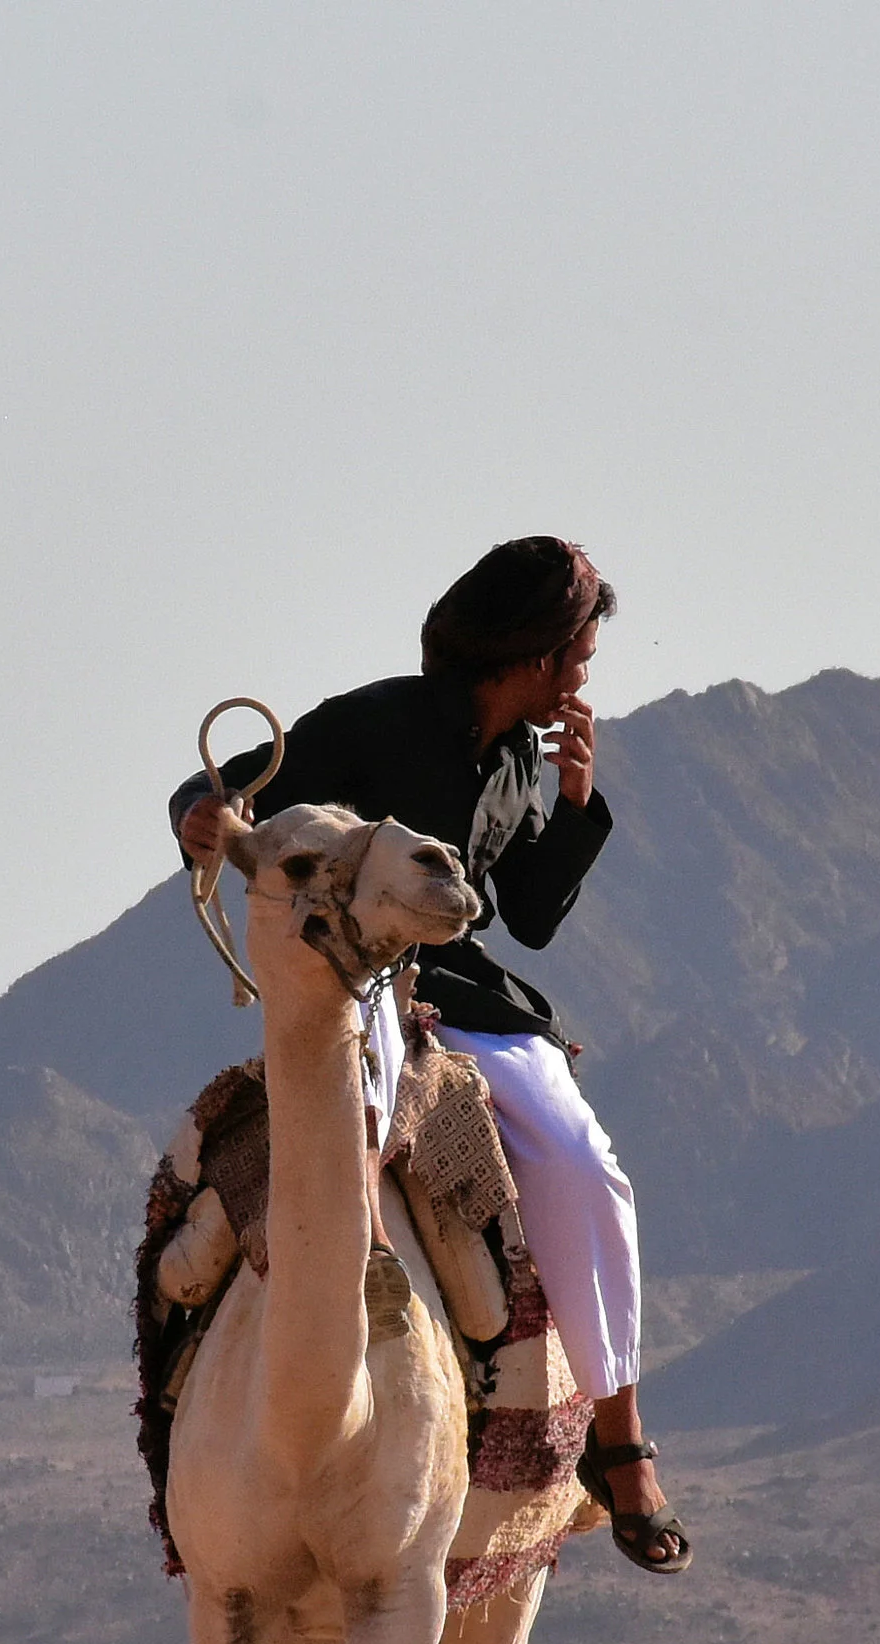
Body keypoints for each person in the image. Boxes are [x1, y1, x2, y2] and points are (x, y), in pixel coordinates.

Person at [171, 534, 689, 1574]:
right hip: (361, 995)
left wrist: (577, 799)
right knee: (238, 1158)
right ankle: (191, 1375)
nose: (583, 675)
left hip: (477, 1009)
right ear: (534, 651)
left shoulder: (514, 764)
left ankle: (620, 1440)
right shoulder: (374, 719)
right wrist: (205, 818)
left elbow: (528, 918)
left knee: (587, 1170)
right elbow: (216, 794)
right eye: (578, 653)